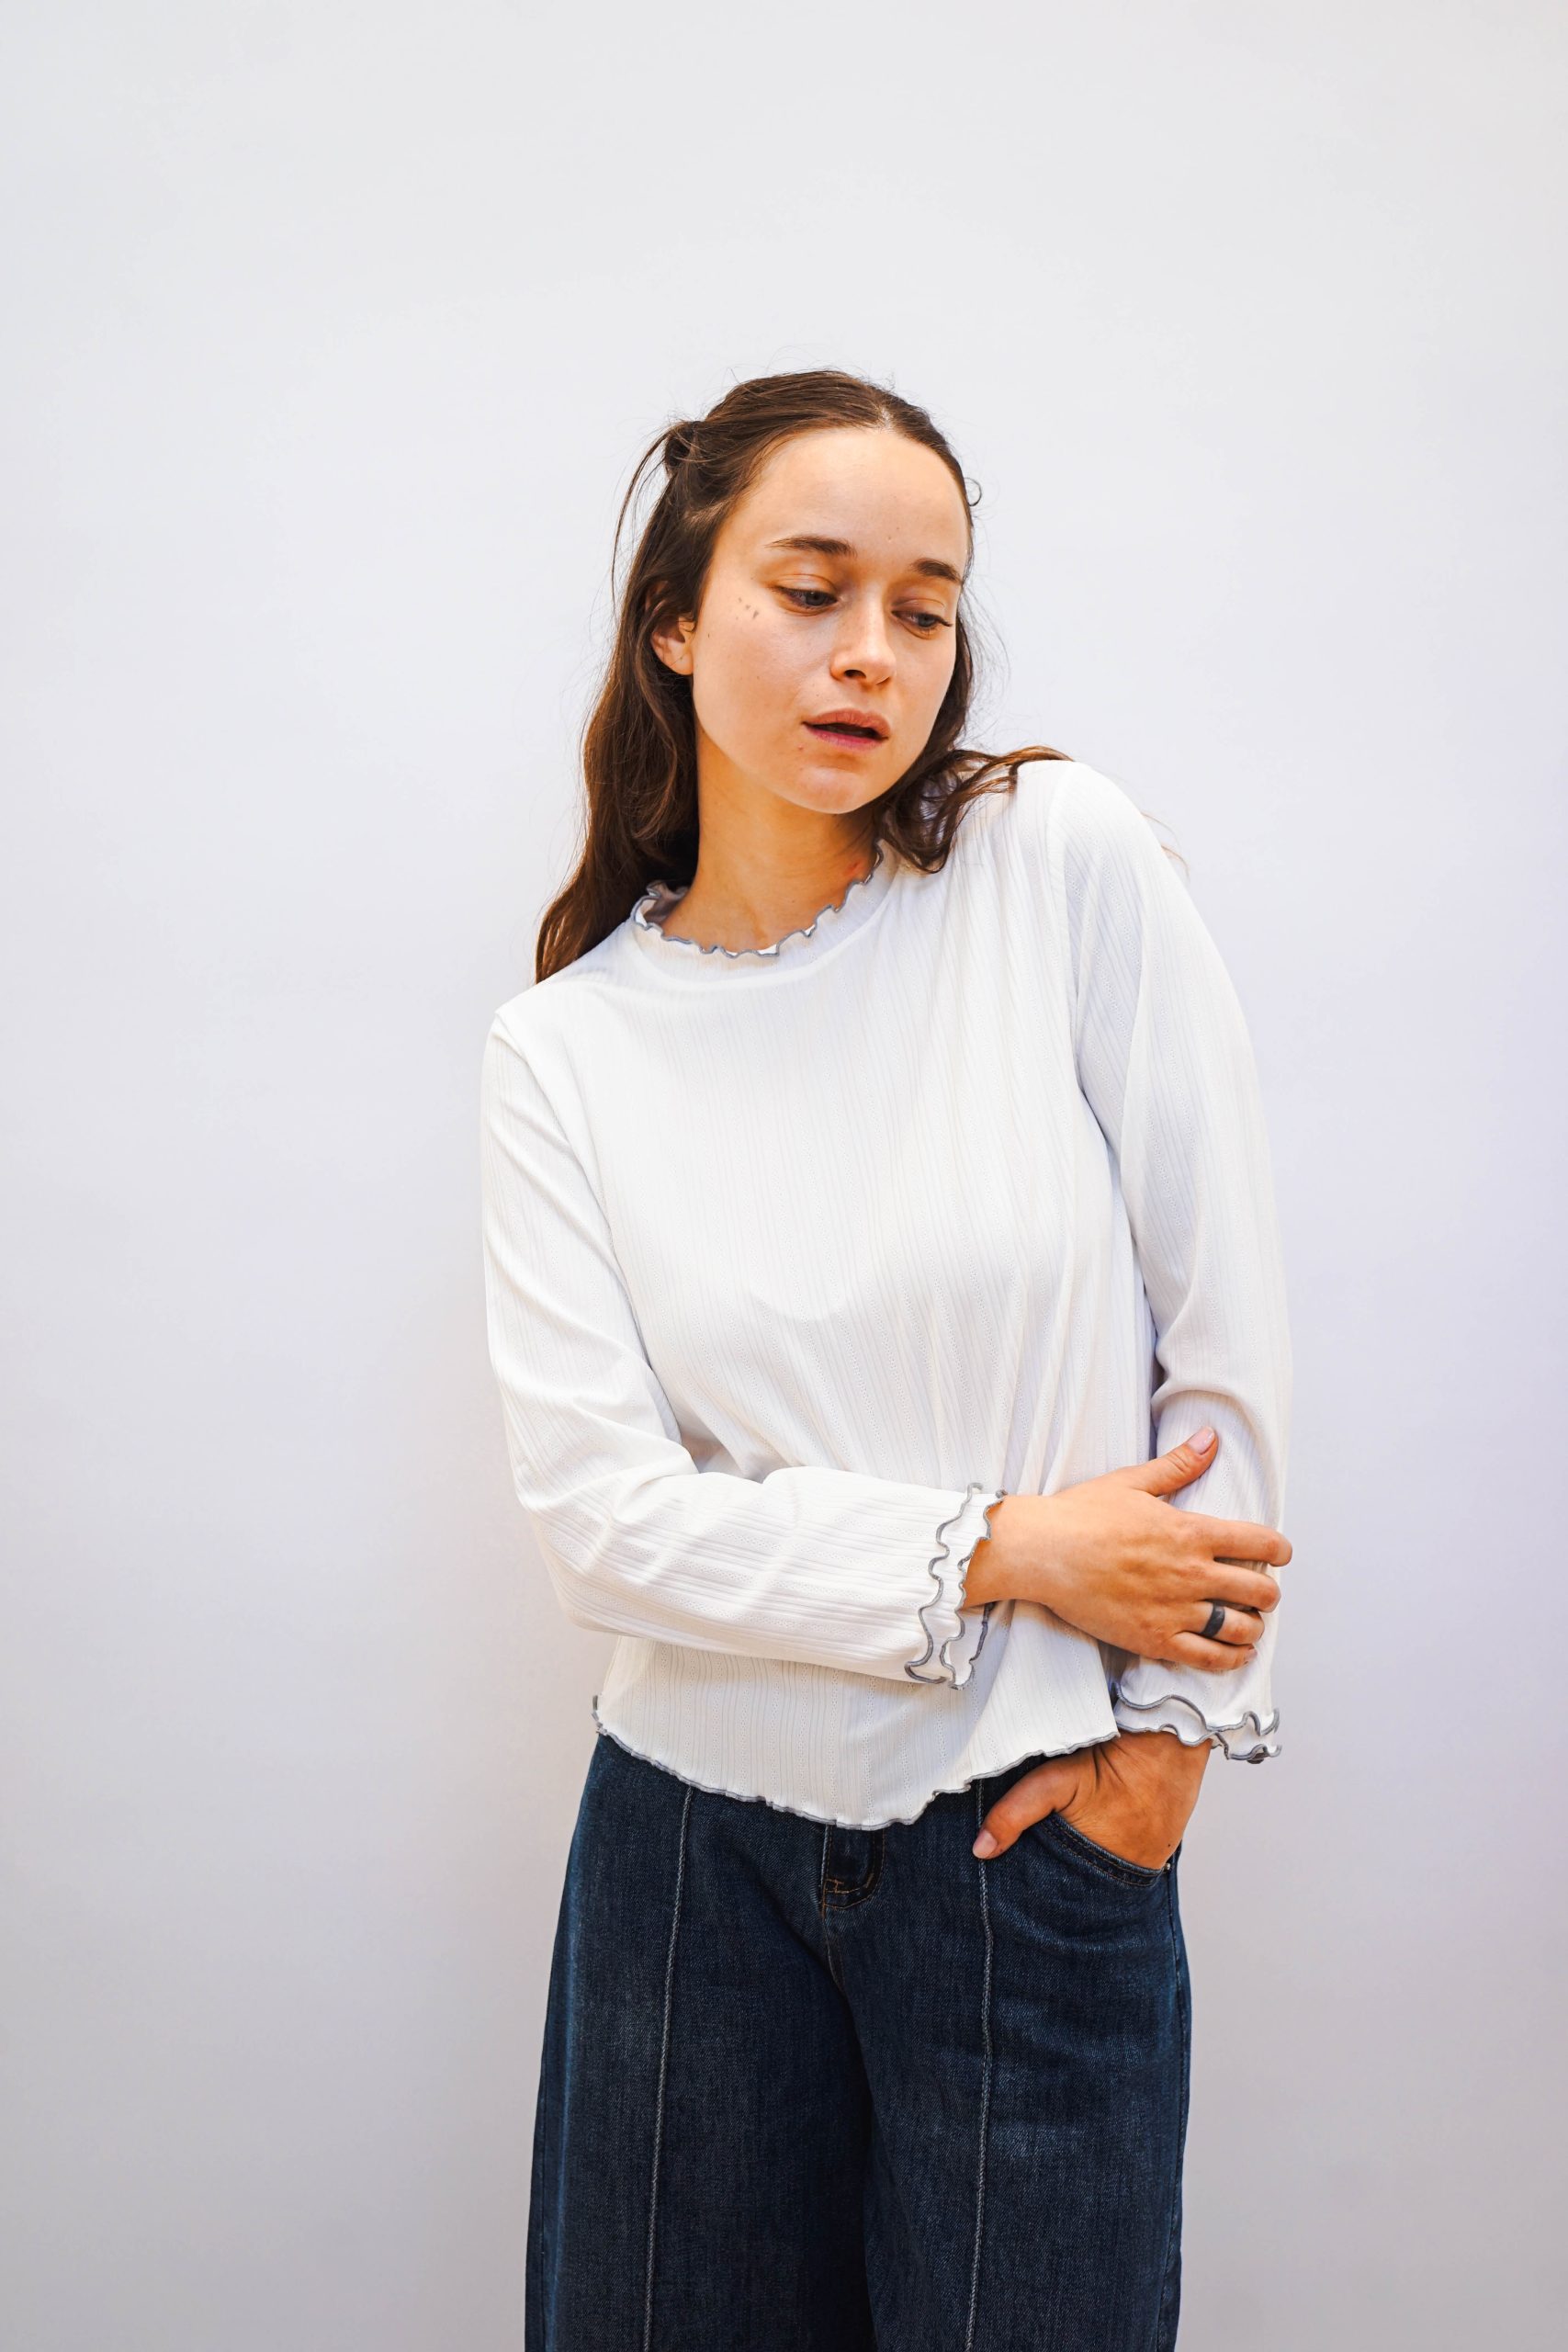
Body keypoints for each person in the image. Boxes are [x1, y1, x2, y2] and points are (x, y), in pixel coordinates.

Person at [479, 368, 1293, 2351]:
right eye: (811, 588)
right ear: (676, 620)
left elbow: (1226, 1340)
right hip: (688, 1860)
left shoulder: (1054, 863)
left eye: (923, 608)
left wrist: (1163, 1756)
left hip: (1032, 1842)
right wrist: (1006, 1546)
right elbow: (604, 1525)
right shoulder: (566, 1051)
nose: (873, 653)